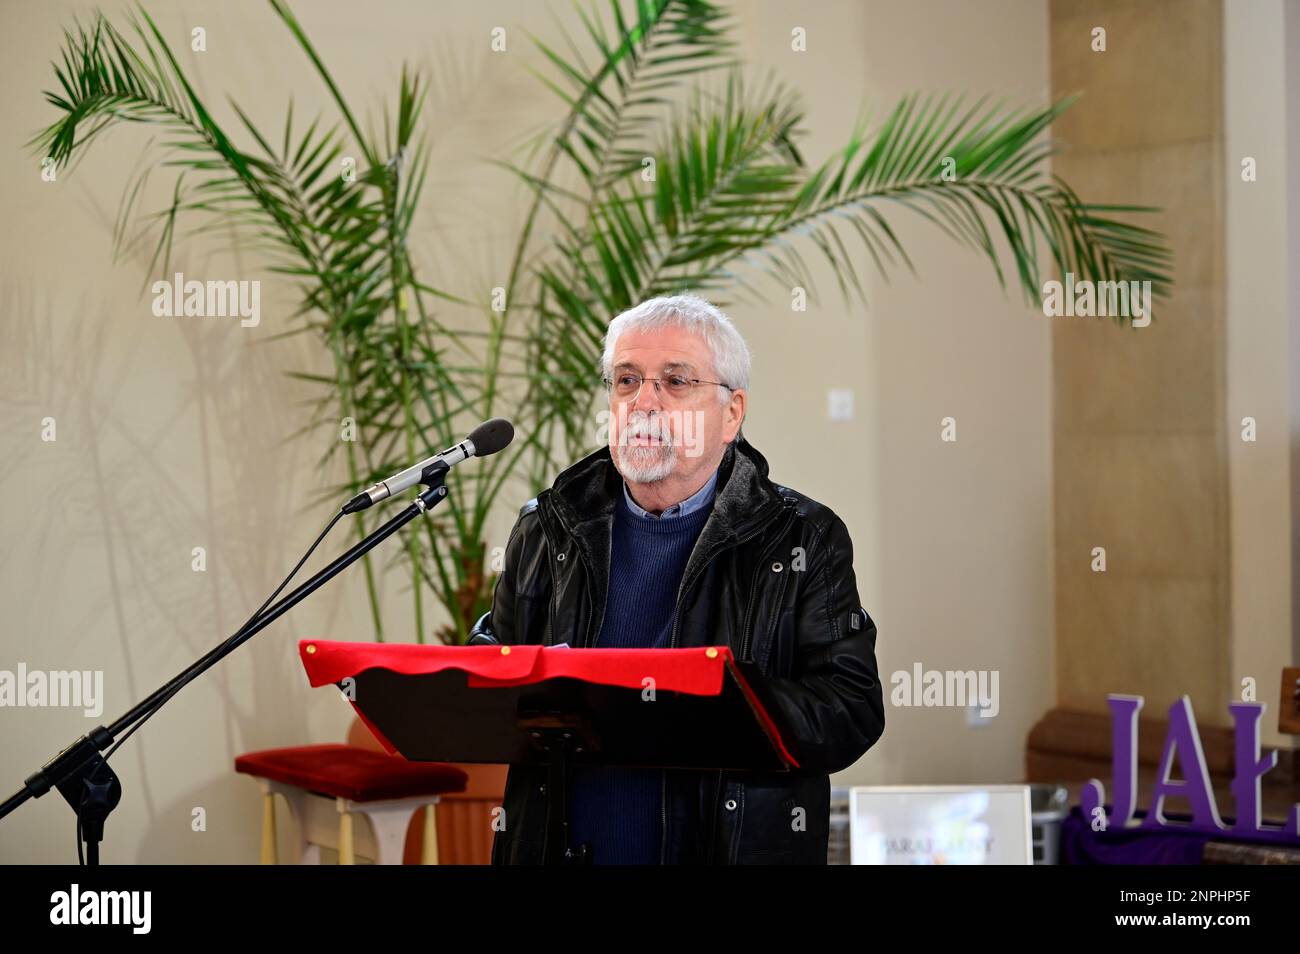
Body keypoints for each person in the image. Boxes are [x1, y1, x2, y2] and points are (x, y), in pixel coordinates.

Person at [477, 293, 884, 864]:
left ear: (732, 413)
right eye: (626, 380)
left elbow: (852, 708)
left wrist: (715, 706)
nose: (644, 400)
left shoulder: (803, 539)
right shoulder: (547, 527)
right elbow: (501, 659)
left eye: (675, 381)